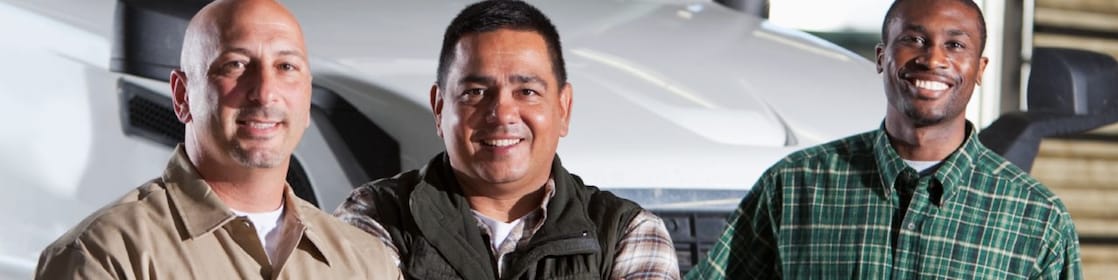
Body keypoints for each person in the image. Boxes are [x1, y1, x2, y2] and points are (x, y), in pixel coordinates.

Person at [687, 0, 1082, 278]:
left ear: (979, 69)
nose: (933, 59)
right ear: (881, 57)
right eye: (914, 39)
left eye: (955, 45)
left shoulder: (1037, 217)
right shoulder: (793, 186)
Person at [34, 0, 399, 279]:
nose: (264, 92)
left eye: (286, 67)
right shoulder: (106, 256)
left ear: (306, 100)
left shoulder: (368, 264)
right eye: (235, 65)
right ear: (182, 96)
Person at [334, 0, 680, 279]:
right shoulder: (374, 216)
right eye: (475, 92)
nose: (502, 113)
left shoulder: (628, 234)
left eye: (527, 91)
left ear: (563, 108)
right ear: (439, 108)